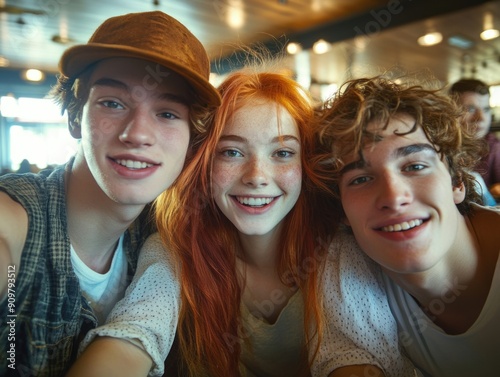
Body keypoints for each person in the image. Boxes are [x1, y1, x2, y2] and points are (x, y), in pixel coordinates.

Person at [69, 67, 416, 377]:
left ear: (306, 164)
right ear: (204, 165)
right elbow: (135, 332)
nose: (256, 177)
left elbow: (353, 357)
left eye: (282, 153)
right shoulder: (175, 249)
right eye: (231, 152)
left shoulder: (338, 249)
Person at [0, 10, 220, 376]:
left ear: (191, 140)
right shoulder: (16, 220)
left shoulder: (165, 235)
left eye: (166, 113)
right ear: (74, 116)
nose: (137, 134)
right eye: (113, 103)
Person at [317, 76, 500, 377]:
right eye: (360, 179)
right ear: (342, 211)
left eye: (415, 166)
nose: (393, 197)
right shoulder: (353, 267)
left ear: (456, 181)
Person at [450, 78, 500, 203]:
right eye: (470, 109)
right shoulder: (439, 146)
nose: (481, 118)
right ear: (451, 111)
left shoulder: (495, 147)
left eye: (486, 109)